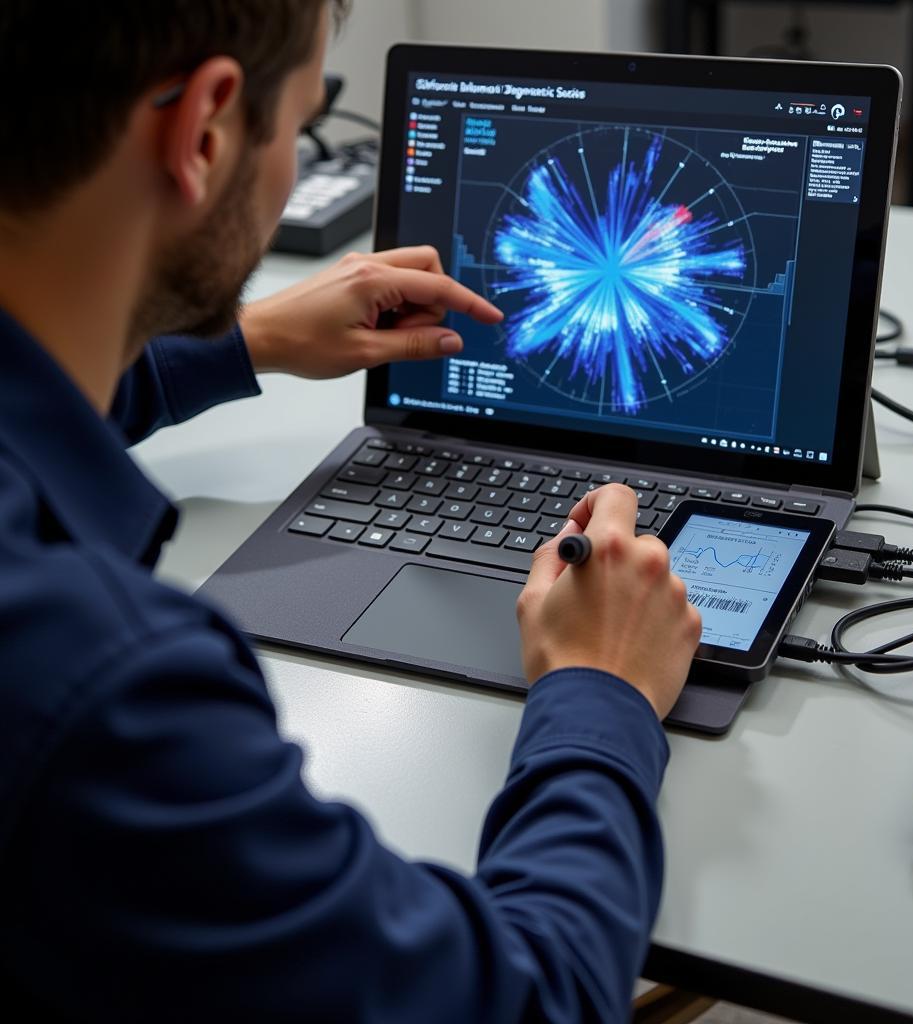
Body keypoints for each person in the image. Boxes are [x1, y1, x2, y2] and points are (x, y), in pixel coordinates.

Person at [0, 2, 702, 1021]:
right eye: (305, 117)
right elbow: (534, 1001)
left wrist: (238, 340)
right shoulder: (104, 689)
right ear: (205, 130)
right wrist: (602, 690)